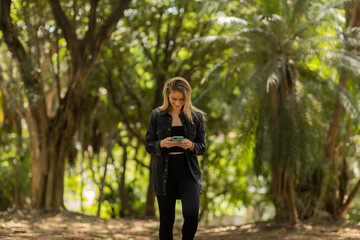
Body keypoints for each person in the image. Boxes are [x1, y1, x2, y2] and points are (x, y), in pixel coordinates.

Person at [145, 77, 206, 240]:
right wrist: (162, 144)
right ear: (167, 95)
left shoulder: (197, 117)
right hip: (164, 173)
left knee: (192, 215)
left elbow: (202, 147)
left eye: (182, 99)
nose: (178, 103)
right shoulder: (157, 115)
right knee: (166, 221)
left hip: (188, 172)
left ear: (188, 97)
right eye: (174, 99)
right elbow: (149, 145)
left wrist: (192, 146)